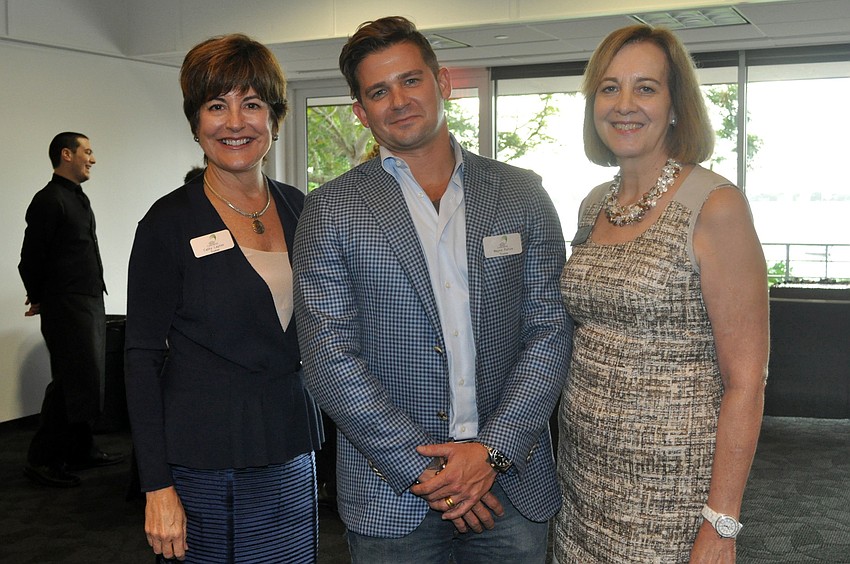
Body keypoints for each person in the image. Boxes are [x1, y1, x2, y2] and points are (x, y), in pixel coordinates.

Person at [293, 16, 572, 563]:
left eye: (411, 80)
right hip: (394, 491)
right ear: (360, 111)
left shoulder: (522, 194)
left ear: (442, 82)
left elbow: (550, 330)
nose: (398, 101)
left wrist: (490, 453)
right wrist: (433, 473)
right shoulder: (331, 210)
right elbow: (329, 357)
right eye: (378, 91)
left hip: (510, 482)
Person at [554, 24, 769, 563]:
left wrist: (721, 523)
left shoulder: (715, 205)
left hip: (672, 499)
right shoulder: (593, 204)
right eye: (609, 88)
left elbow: (747, 381)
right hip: (581, 484)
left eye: (645, 88)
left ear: (676, 106)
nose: (624, 104)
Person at [124, 34, 323, 563]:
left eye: (251, 104)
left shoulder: (301, 209)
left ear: (274, 119)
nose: (235, 123)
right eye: (217, 106)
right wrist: (156, 486)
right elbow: (141, 357)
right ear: (196, 122)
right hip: (203, 461)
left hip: (291, 446)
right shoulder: (167, 222)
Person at [18, 132, 123, 488]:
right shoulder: (49, 200)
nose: (92, 159)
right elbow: (31, 256)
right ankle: (41, 459)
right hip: (66, 303)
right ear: (67, 154)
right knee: (70, 381)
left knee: (88, 381)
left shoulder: (77, 198)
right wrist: (38, 295)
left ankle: (80, 449)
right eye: (87, 151)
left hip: (87, 299)